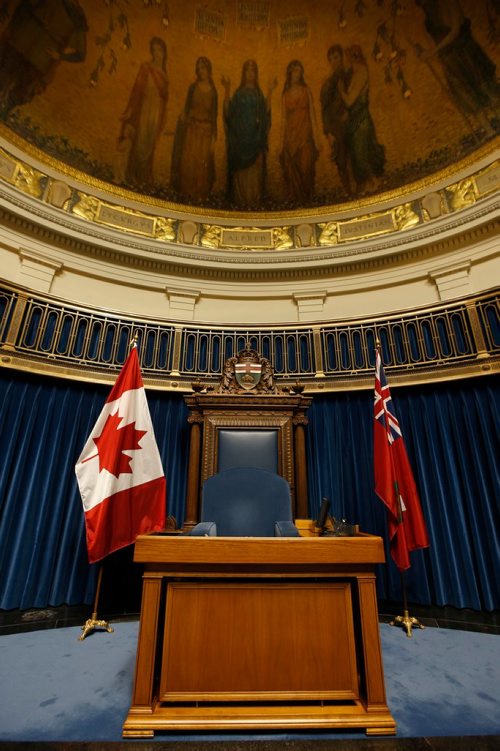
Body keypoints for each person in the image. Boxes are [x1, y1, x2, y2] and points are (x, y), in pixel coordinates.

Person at [416, 0, 499, 133]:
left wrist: (433, 51)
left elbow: (456, 30)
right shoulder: (428, 17)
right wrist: (423, 52)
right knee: (468, 97)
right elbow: (431, 42)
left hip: (466, 53)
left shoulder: (449, 3)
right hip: (451, 62)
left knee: (486, 86)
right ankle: (489, 131)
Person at [0, 0, 88, 117]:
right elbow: (24, 7)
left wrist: (60, 56)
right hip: (21, 41)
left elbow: (80, 54)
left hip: (39, 57)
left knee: (23, 89)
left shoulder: (77, 16)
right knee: (4, 74)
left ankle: (4, 112)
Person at [222, 59, 276, 209]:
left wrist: (270, 91)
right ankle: (240, 201)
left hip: (255, 138)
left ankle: (253, 201)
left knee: (254, 171)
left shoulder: (259, 95)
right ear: (243, 73)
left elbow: (265, 113)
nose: (250, 74)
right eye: (247, 70)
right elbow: (229, 113)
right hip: (239, 139)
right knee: (240, 172)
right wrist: (227, 89)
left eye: (253, 71)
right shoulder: (239, 94)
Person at [118, 37, 168, 188]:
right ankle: (132, 175)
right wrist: (130, 111)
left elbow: (165, 99)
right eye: (154, 50)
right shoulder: (146, 68)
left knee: (150, 143)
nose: (156, 53)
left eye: (159, 50)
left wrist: (162, 117)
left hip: (156, 112)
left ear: (164, 53)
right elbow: (137, 91)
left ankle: (144, 178)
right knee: (139, 141)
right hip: (144, 109)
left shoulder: (165, 76)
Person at [339, 45, 385, 196]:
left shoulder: (361, 71)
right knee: (358, 153)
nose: (346, 59)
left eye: (348, 56)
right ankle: (368, 184)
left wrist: (340, 90)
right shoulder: (355, 72)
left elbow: (350, 100)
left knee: (361, 152)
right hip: (356, 119)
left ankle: (373, 182)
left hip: (360, 119)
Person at [171, 56, 218, 202]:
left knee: (202, 163)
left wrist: (213, 137)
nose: (200, 71)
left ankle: (200, 194)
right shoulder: (193, 87)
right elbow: (186, 108)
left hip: (205, 131)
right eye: (198, 68)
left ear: (208, 70)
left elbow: (214, 115)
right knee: (188, 159)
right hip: (191, 129)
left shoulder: (213, 92)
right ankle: (186, 192)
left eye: (203, 68)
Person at [279, 60, 319, 203]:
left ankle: (307, 200)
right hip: (291, 137)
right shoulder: (285, 95)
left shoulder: (305, 90)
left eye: (299, 71)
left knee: (306, 168)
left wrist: (317, 138)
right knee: (293, 169)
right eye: (295, 70)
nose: (298, 74)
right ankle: (297, 202)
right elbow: (283, 119)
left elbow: (313, 115)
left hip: (305, 134)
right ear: (290, 73)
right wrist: (280, 144)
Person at [320, 44, 352, 196]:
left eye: (336, 57)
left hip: (351, 123)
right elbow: (324, 110)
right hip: (336, 127)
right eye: (331, 59)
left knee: (354, 155)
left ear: (341, 58)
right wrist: (328, 133)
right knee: (341, 160)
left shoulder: (350, 75)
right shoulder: (328, 84)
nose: (334, 61)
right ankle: (349, 193)